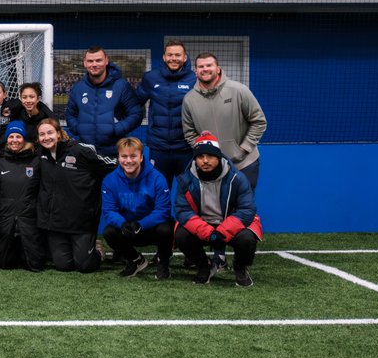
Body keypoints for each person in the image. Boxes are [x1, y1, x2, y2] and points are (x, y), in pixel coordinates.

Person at [173, 132, 262, 286]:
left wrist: (222, 232)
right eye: (200, 157)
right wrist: (208, 232)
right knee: (181, 235)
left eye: (210, 156)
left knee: (247, 238)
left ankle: (240, 268)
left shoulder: (237, 178)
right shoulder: (185, 180)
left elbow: (247, 209)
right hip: (203, 225)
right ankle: (204, 267)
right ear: (195, 159)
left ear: (219, 157)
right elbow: (182, 211)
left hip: (229, 224)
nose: (205, 161)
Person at [28, 118, 117, 273]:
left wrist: (130, 163)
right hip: (56, 222)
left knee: (85, 266)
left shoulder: (79, 151)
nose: (46, 137)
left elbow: (111, 163)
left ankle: (97, 249)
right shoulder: (40, 153)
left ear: (59, 133)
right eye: (42, 134)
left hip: (81, 221)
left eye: (50, 132)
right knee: (63, 266)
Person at [181, 53, 267, 190]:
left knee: (243, 208)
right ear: (196, 71)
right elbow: (189, 133)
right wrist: (204, 152)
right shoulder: (189, 99)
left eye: (209, 65)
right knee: (215, 210)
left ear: (218, 68)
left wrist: (244, 148)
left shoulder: (239, 90)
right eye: (201, 66)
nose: (205, 69)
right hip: (210, 168)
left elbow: (259, 121)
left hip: (244, 164)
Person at [99, 137, 173, 279]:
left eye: (133, 156)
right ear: (118, 158)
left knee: (167, 229)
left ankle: (163, 263)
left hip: (150, 228)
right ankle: (136, 260)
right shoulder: (110, 180)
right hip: (128, 229)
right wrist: (123, 224)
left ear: (141, 157)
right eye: (124, 156)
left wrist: (141, 224)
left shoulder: (157, 178)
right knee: (109, 232)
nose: (128, 161)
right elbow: (109, 210)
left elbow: (163, 210)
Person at [133, 40, 196, 189]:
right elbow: (136, 102)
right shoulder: (151, 78)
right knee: (159, 191)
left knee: (189, 192)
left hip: (185, 148)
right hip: (159, 147)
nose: (174, 58)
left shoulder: (195, 79)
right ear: (164, 57)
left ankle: (188, 214)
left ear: (185, 57)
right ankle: (162, 214)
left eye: (177, 55)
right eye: (170, 55)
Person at [65, 46, 144, 158]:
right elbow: (70, 114)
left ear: (106, 61)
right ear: (85, 63)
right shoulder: (78, 88)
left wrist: (116, 129)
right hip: (86, 152)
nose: (94, 64)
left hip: (114, 152)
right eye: (90, 61)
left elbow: (136, 114)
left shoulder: (121, 86)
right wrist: (78, 128)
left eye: (98, 60)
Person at [0, 121, 38, 270]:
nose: (14, 140)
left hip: (29, 217)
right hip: (6, 217)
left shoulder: (35, 161)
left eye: (18, 136)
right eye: (11, 136)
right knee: (4, 264)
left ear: (24, 139)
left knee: (34, 265)